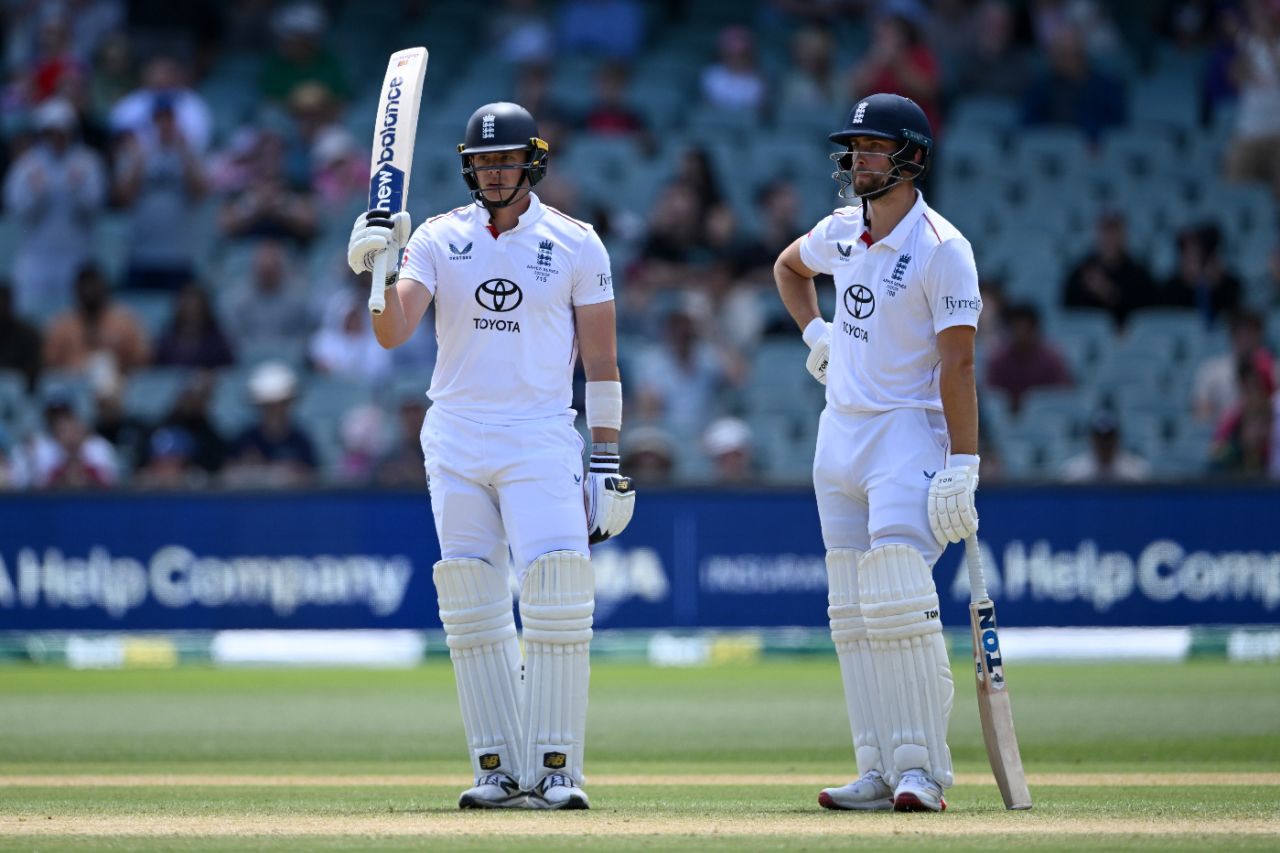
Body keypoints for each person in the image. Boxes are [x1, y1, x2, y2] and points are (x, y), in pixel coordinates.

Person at [346, 102, 635, 811]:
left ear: (532, 162)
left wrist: (605, 460)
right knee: (472, 601)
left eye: (506, 160)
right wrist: (377, 270)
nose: (494, 172)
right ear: (468, 166)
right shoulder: (438, 238)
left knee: (559, 596)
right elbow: (392, 332)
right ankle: (499, 767)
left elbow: (603, 365)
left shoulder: (576, 243)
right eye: (482, 162)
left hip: (540, 434)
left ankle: (558, 767)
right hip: (456, 434)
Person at [773, 93, 982, 813]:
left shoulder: (942, 249)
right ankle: (875, 765)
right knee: (852, 611)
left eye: (871, 147)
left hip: (905, 434)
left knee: (897, 598)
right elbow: (787, 268)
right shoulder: (840, 232)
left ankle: (922, 768)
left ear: (912, 158)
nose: (857, 158)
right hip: (840, 435)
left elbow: (959, 367)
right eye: (853, 147)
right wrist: (816, 335)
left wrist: (964, 464)